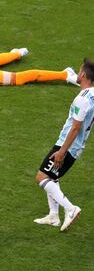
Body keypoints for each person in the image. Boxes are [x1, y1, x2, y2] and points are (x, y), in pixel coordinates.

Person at [33, 58, 94, 231]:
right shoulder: (92, 94)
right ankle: (53, 216)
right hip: (77, 146)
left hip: (67, 146)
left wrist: (61, 152)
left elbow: (75, 127)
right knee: (53, 177)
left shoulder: (81, 99)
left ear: (82, 74)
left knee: (42, 177)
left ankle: (70, 208)